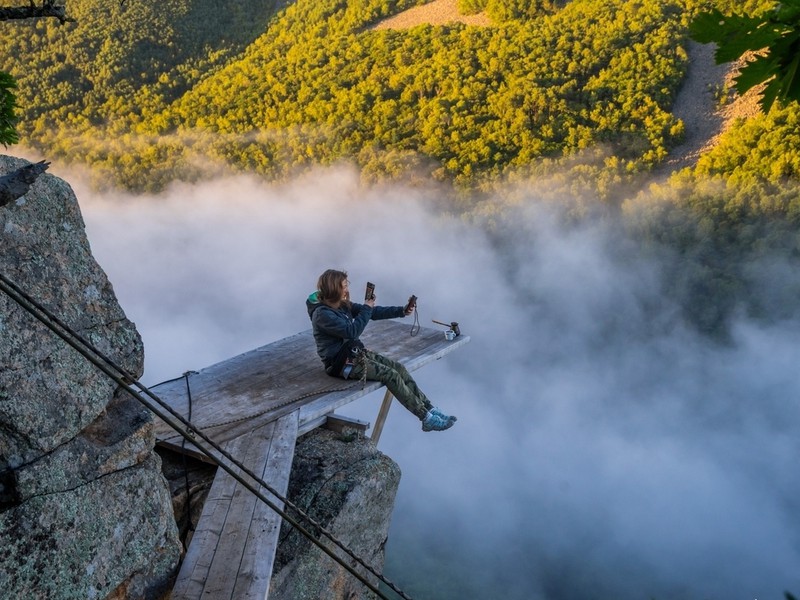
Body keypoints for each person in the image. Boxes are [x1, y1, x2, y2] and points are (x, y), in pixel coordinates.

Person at [306, 268, 457, 432]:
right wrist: (366, 307)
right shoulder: (322, 314)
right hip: (340, 364)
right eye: (344, 285)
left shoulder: (340, 305)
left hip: (353, 353)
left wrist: (401, 310)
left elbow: (371, 312)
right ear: (334, 288)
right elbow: (352, 331)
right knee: (390, 374)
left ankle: (430, 409)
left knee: (398, 368)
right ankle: (425, 418)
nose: (347, 288)